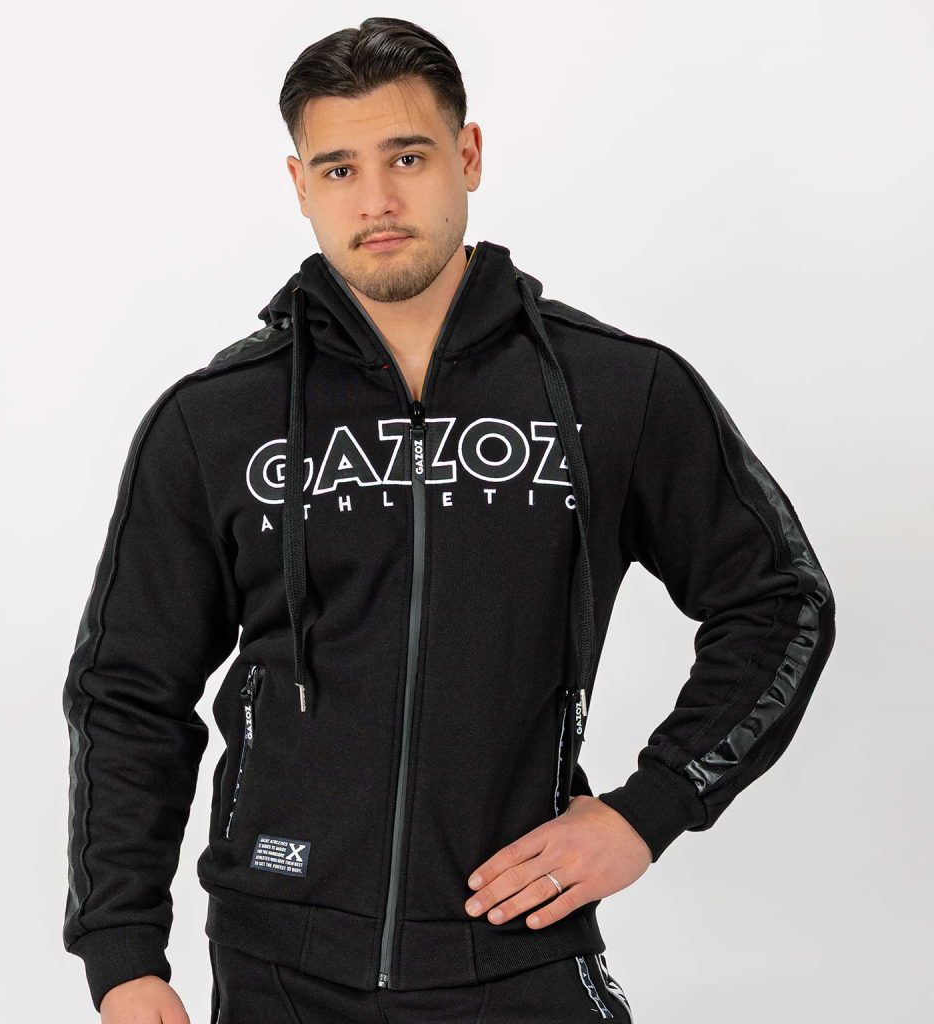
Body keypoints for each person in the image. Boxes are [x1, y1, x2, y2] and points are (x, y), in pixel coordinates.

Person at [61, 16, 836, 1023]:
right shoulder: (214, 420)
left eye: (407, 157)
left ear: (467, 157)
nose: (376, 200)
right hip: (278, 959)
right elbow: (130, 689)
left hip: (518, 942)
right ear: (299, 185)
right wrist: (123, 953)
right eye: (338, 169)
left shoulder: (616, 390)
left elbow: (779, 602)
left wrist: (650, 809)